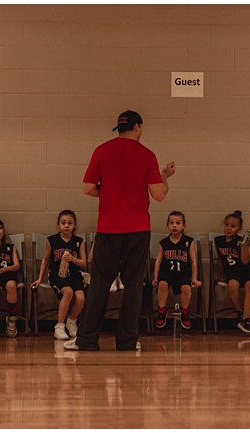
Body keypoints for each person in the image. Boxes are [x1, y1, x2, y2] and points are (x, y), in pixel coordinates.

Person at [70, 110, 174, 351]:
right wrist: (165, 177)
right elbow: (158, 195)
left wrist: (106, 193)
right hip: (137, 229)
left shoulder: (102, 150)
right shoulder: (147, 155)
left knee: (99, 285)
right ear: (138, 127)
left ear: (119, 128)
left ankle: (87, 339)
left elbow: (87, 188)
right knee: (134, 285)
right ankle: (127, 341)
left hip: (108, 228)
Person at [31, 210, 87, 340]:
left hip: (74, 274)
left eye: (69, 223)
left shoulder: (79, 241)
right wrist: (40, 278)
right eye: (63, 223)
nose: (66, 225)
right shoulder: (52, 240)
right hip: (57, 275)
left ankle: (72, 321)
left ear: (75, 225)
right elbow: (45, 259)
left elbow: (83, 263)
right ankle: (59, 325)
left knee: (80, 298)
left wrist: (73, 259)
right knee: (68, 292)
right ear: (58, 225)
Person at [153, 211, 201, 330]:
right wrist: (155, 277)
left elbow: (193, 261)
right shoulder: (163, 243)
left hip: (182, 273)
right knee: (162, 284)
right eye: (171, 223)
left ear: (183, 226)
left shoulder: (188, 242)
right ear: (167, 225)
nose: (174, 225)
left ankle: (185, 313)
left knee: (186, 288)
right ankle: (162, 311)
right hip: (167, 272)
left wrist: (194, 278)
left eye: (178, 223)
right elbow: (158, 261)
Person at [214, 210, 250, 334]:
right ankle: (239, 312)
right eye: (227, 225)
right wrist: (222, 275)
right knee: (232, 285)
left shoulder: (241, 241)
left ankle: (245, 319)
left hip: (247, 269)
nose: (229, 228)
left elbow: (245, 261)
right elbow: (220, 260)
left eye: (233, 226)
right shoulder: (218, 240)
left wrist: (246, 245)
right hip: (232, 271)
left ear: (239, 229)